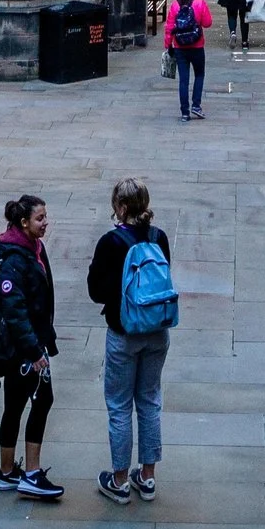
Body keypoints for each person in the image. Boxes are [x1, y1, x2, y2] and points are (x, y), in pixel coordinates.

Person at [85, 177, 176, 503]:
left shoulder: (112, 242)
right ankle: (147, 477)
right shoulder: (158, 237)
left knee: (120, 405)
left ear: (120, 207)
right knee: (150, 401)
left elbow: (96, 291)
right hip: (157, 331)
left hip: (124, 333)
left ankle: (120, 480)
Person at [0, 194, 62, 499]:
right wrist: (35, 352)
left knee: (14, 406)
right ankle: (31, 473)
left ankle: (6, 473)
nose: (45, 223)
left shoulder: (32, 248)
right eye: (40, 219)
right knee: (42, 401)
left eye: (45, 217)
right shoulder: (16, 259)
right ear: (23, 222)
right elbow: (15, 311)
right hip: (23, 351)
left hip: (23, 347)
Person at [167, 0, 212, 118]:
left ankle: (184, 112)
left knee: (183, 80)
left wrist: (168, 45)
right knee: (199, 75)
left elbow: (169, 27)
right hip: (197, 45)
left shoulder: (175, 5)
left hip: (180, 46)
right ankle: (196, 106)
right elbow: (207, 23)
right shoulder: (200, 3)